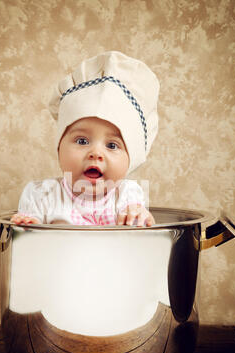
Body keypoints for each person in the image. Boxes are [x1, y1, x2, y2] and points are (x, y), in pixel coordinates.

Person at [11, 51, 160, 227]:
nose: (95, 153)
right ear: (59, 147)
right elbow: (30, 242)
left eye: (112, 145)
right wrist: (29, 224)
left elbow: (139, 224)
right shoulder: (42, 194)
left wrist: (139, 215)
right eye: (82, 141)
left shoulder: (126, 195)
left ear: (131, 159)